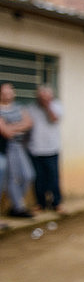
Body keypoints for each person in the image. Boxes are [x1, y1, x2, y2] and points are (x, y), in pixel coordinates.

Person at [27, 85, 65, 214]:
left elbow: (54, 119)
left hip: (51, 148)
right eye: (40, 96)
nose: (43, 99)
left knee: (53, 178)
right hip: (35, 149)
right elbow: (27, 126)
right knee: (39, 179)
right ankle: (41, 204)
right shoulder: (31, 108)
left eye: (46, 96)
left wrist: (47, 106)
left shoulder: (56, 105)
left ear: (51, 96)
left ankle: (57, 203)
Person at [0, 82, 35, 218]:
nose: (7, 95)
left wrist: (11, 126)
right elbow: (6, 133)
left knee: (28, 175)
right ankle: (18, 207)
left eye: (10, 92)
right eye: (4, 92)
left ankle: (16, 205)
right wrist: (20, 126)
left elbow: (29, 123)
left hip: (20, 146)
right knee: (13, 177)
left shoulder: (20, 107)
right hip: (8, 147)